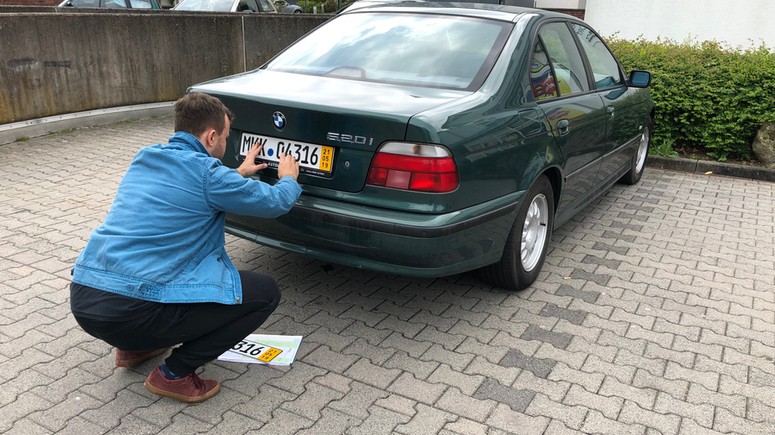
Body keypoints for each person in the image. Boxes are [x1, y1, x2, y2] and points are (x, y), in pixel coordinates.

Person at [70, 92, 301, 403]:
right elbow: (276, 202)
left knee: (149, 282)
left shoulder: (146, 158)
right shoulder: (209, 174)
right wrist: (288, 179)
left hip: (85, 299)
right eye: (226, 137)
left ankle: (134, 348)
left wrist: (239, 173)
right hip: (133, 311)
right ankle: (173, 375)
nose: (226, 145)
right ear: (211, 136)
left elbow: (192, 186)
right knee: (265, 293)